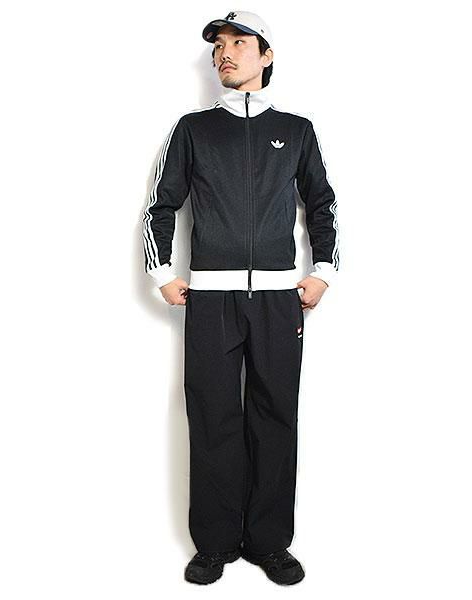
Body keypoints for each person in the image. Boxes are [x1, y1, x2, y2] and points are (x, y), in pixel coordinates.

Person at [142, 10, 339, 585]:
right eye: (218, 47)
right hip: (210, 299)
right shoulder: (193, 129)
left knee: (276, 416)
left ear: (266, 55)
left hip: (279, 300)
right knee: (212, 417)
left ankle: (270, 543)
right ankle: (215, 543)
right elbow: (161, 205)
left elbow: (323, 203)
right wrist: (162, 273)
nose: (224, 53)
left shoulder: (297, 130)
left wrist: (323, 271)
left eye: (238, 42)